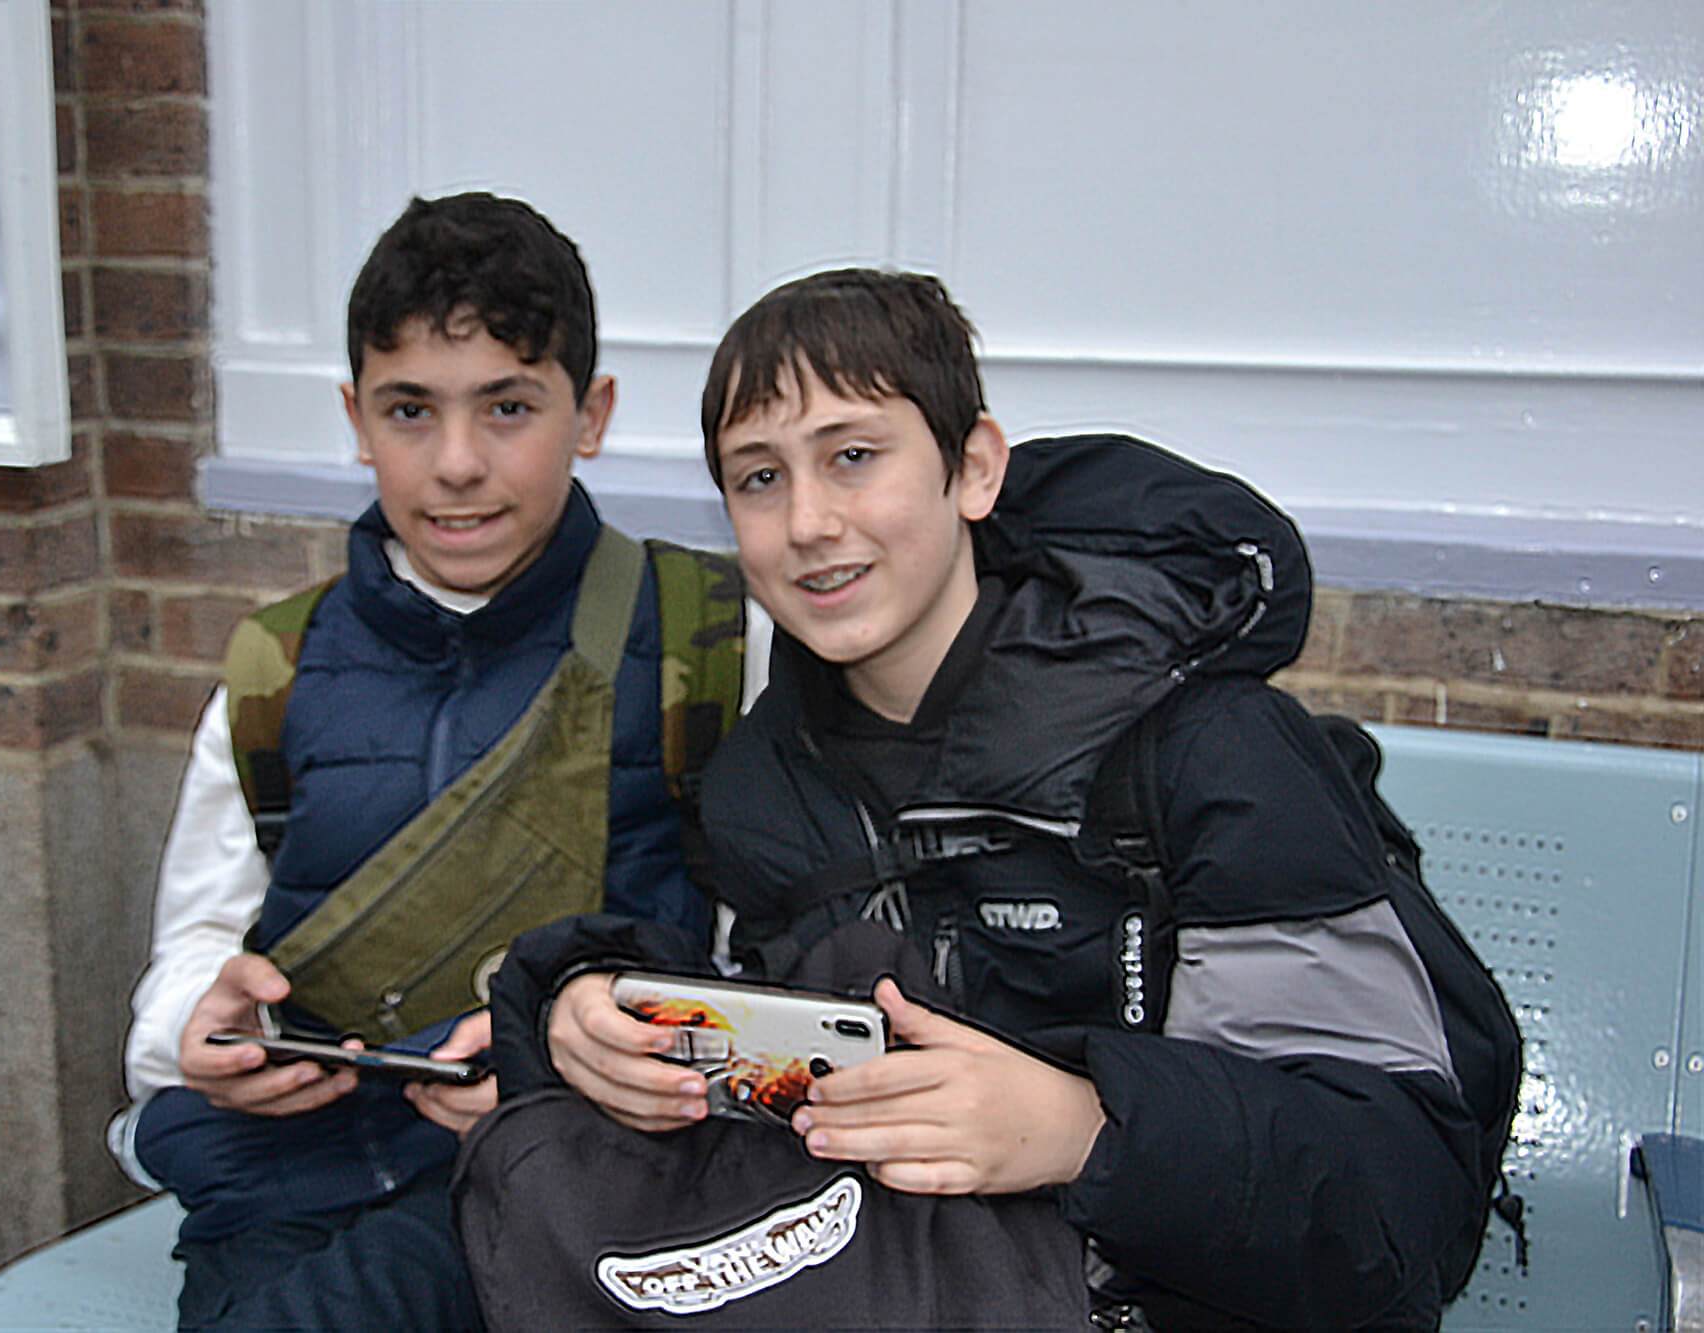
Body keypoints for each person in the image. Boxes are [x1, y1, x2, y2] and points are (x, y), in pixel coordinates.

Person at [504, 268, 1480, 1327]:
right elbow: (766, 1074)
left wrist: (1082, 1127)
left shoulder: (1209, 750)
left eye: (853, 456)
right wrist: (583, 1014)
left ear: (972, 468)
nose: (808, 522)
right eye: (759, 478)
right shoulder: (761, 788)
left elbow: (1396, 1198)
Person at [106, 192, 764, 1330]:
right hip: (281, 1182)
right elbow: (197, 944)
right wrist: (197, 1022)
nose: (457, 464)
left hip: (569, 1178)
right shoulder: (276, 666)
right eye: (410, 409)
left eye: (507, 406)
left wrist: (572, 1055)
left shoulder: (708, 641)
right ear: (355, 419)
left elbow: (771, 978)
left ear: (591, 413)